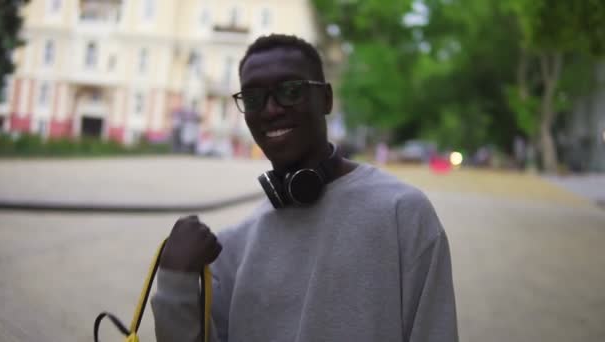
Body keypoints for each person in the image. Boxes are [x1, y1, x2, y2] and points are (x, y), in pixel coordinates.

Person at [151, 34, 458, 342]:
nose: (271, 110)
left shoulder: (402, 213)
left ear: (326, 98)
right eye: (254, 97)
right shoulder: (231, 249)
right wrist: (175, 281)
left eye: (290, 91)